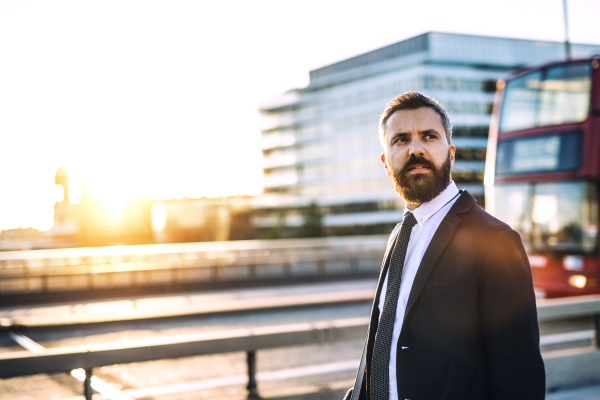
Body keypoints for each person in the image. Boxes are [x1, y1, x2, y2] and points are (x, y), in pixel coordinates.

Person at [343, 92, 545, 400]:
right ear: (386, 163)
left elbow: (519, 377)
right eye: (401, 140)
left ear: (450, 153)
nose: (416, 149)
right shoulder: (398, 236)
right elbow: (385, 343)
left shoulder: (495, 241)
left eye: (429, 136)